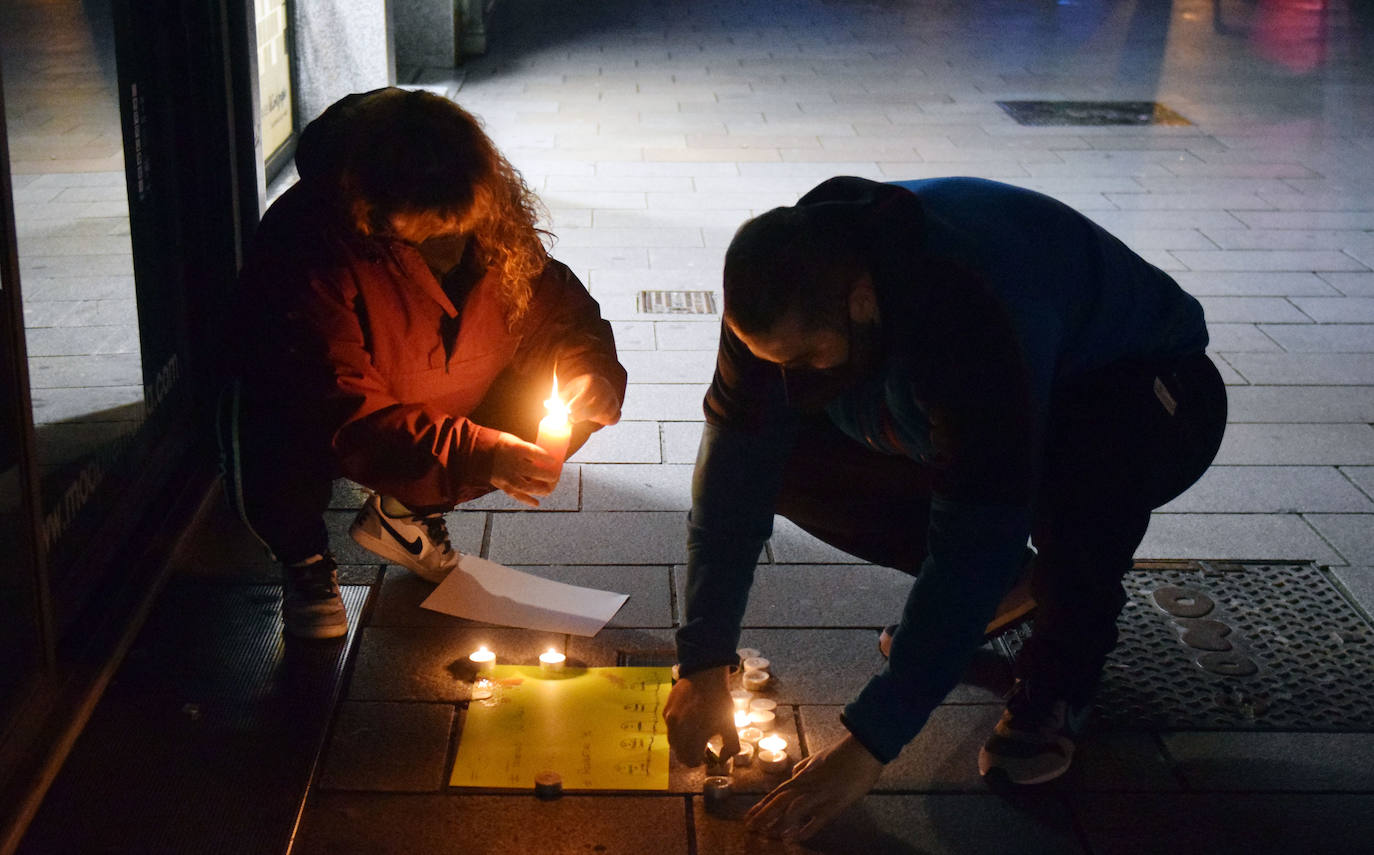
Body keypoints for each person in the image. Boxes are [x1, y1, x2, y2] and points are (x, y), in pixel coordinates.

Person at [665, 176, 1226, 840]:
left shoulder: (968, 313)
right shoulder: (782, 284)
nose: (791, 377)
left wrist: (868, 744)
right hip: (957, 393)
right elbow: (733, 475)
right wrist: (704, 659)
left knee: (1081, 466)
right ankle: (1014, 584)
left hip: (1151, 389)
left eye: (809, 355)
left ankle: (1060, 676)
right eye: (775, 360)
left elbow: (976, 531)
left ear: (862, 301)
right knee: (776, 451)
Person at [218, 88, 625, 640]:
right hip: (329, 410)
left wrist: (587, 371)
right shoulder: (308, 244)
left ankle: (404, 513)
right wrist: (478, 453)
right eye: (432, 224)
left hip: (427, 393)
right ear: (376, 204)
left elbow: (555, 310)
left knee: (553, 415)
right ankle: (303, 560)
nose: (452, 235)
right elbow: (337, 407)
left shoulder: (486, 211)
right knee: (274, 422)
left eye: (459, 220)